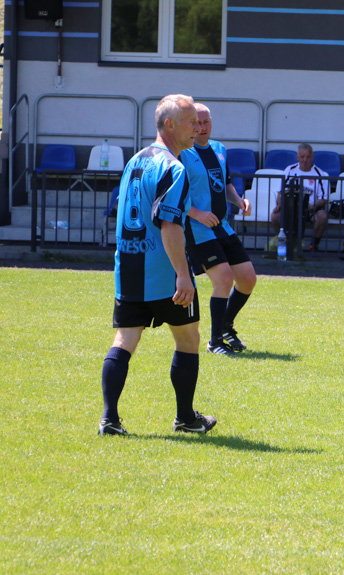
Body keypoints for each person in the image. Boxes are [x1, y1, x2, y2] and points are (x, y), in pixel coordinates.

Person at [98, 94, 217, 436]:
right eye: (191, 122)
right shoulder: (174, 168)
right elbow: (169, 224)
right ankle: (185, 418)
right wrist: (184, 274)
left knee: (125, 340)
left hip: (129, 267)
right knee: (188, 339)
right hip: (164, 271)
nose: (198, 128)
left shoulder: (135, 161)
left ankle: (110, 419)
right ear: (170, 125)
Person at [181, 103, 257, 356]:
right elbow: (171, 196)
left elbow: (224, 184)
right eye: (196, 123)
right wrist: (197, 213)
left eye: (206, 122)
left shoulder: (219, 149)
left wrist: (239, 200)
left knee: (247, 279)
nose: (201, 128)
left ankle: (226, 327)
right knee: (224, 278)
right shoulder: (181, 153)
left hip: (222, 226)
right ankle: (215, 342)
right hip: (197, 229)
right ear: (189, 124)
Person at [273, 143, 329, 252]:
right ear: (298, 157)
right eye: (302, 157)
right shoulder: (289, 170)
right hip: (290, 207)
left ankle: (314, 245)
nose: (305, 160)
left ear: (312, 157)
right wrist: (279, 204)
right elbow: (281, 191)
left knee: (322, 216)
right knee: (275, 217)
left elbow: (323, 199)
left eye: (308, 157)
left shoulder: (320, 174)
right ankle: (284, 243)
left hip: (310, 209)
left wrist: (313, 206)